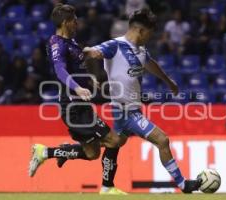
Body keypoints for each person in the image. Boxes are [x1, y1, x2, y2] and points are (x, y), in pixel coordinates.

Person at [80, 8, 201, 193]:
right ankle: (183, 184)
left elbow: (151, 64)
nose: (150, 38)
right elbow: (90, 53)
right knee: (162, 140)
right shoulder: (115, 46)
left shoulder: (141, 50)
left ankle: (56, 153)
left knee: (111, 144)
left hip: (132, 109)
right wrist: (92, 74)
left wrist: (168, 82)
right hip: (125, 111)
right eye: (150, 33)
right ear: (141, 31)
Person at [28, 5, 124, 194]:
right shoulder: (57, 43)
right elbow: (60, 70)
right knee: (114, 140)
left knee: (92, 153)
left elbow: (76, 68)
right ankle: (107, 188)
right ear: (65, 22)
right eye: (74, 19)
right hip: (73, 106)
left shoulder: (71, 42)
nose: (77, 22)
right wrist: (77, 88)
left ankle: (45, 152)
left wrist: (89, 78)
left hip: (81, 105)